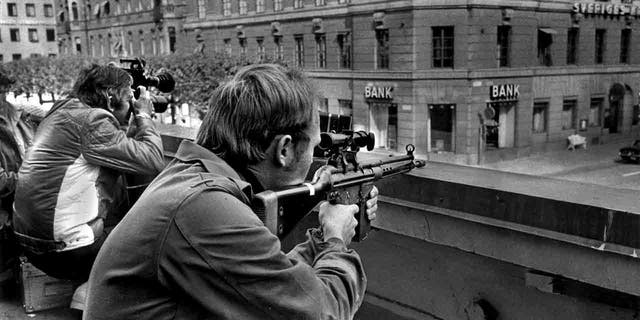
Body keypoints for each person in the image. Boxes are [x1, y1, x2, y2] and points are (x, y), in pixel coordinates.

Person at [84, 64, 379, 319]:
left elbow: (263, 281)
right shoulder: (204, 208)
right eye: (313, 147)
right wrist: (336, 240)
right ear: (284, 149)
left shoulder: (194, 180)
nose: (314, 158)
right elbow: (322, 313)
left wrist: (320, 238)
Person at [12, 63, 165, 283]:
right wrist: (143, 116)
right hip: (65, 254)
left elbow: (123, 151)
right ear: (111, 99)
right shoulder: (93, 122)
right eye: (128, 98)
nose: (131, 105)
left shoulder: (63, 110)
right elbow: (152, 160)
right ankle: (100, 299)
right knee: (158, 239)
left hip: (31, 243)